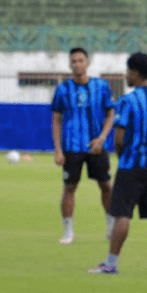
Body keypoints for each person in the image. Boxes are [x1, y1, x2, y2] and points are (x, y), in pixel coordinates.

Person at [89, 52, 147, 275]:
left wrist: (122, 156)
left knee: (122, 214)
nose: (125, 75)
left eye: (127, 70)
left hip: (132, 165)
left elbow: (119, 137)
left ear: (135, 72)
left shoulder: (127, 101)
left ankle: (111, 264)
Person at [51, 47, 116, 244]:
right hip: (72, 146)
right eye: (73, 61)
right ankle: (68, 231)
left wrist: (102, 138)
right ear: (70, 64)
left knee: (106, 185)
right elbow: (56, 120)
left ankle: (111, 227)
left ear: (87, 63)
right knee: (69, 187)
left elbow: (111, 114)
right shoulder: (62, 89)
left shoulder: (101, 86)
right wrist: (58, 150)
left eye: (80, 60)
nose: (77, 64)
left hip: (96, 147)